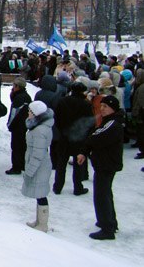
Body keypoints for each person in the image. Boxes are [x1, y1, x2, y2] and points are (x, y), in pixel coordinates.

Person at [77, 95, 124, 240]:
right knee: (105, 194)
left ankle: (107, 228)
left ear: (113, 109)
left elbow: (96, 138)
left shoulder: (113, 124)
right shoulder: (108, 121)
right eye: (101, 106)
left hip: (106, 164)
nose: (102, 109)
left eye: (105, 107)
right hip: (104, 163)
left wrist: (85, 149)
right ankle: (109, 221)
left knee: (101, 196)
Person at [53, 82, 95, 195]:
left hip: (64, 136)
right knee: (78, 164)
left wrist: (62, 130)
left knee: (61, 163)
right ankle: (78, 187)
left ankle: (57, 186)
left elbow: (56, 118)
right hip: (79, 138)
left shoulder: (63, 101)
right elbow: (89, 122)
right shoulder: (86, 104)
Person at [22, 100, 54, 233]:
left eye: (30, 111)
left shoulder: (40, 130)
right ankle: (39, 221)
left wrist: (29, 171)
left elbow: (37, 154)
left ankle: (43, 224)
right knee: (38, 194)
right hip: (39, 164)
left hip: (39, 166)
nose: (28, 113)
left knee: (40, 194)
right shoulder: (38, 126)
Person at [6, 77, 32, 175]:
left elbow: (14, 113)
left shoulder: (18, 98)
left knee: (16, 146)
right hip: (24, 124)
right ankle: (22, 164)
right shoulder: (26, 96)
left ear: (17, 86)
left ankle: (16, 167)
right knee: (22, 145)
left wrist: (10, 125)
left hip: (17, 125)